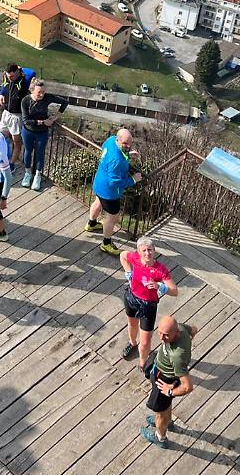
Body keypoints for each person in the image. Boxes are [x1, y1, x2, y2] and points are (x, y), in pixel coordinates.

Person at [120, 235, 178, 370]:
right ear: (139, 251)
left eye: (150, 250)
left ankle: (142, 362)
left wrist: (160, 287)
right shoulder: (134, 257)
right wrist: (129, 274)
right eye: (144, 250)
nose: (147, 253)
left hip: (148, 306)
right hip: (132, 298)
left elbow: (174, 291)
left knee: (145, 342)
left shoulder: (160, 270)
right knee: (132, 324)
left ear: (154, 250)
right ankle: (133, 343)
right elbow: (123, 256)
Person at [142, 315, 198, 449]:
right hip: (162, 370)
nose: (161, 338)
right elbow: (194, 329)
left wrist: (169, 391)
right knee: (166, 405)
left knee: (160, 412)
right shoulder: (183, 329)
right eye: (160, 333)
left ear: (176, 332)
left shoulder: (177, 357)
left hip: (165, 380)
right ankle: (169, 422)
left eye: (166, 335)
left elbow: (188, 387)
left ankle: (160, 437)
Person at [85, 127, 143, 256]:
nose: (128, 146)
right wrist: (133, 180)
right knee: (112, 217)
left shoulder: (111, 141)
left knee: (98, 202)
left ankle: (91, 224)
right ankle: (106, 243)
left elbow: (110, 151)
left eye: (130, 143)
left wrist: (127, 154)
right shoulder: (117, 161)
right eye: (125, 144)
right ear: (118, 140)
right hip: (110, 193)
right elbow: (114, 182)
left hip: (99, 183)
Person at [20, 79, 69, 192]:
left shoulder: (47, 97)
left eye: (43, 91)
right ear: (32, 90)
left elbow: (65, 102)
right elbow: (26, 120)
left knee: (40, 152)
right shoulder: (25, 100)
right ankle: (27, 174)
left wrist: (55, 117)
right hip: (28, 131)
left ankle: (37, 176)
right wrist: (43, 122)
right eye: (39, 92)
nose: (42, 94)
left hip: (41, 132)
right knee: (27, 151)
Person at [0, 64, 35, 170]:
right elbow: (5, 87)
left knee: (16, 141)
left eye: (12, 76)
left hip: (17, 116)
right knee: (0, 137)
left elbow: (32, 72)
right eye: (8, 76)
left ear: (17, 73)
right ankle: (1, 159)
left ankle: (11, 164)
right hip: (6, 113)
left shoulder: (24, 81)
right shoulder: (7, 78)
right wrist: (1, 94)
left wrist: (20, 68)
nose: (10, 78)